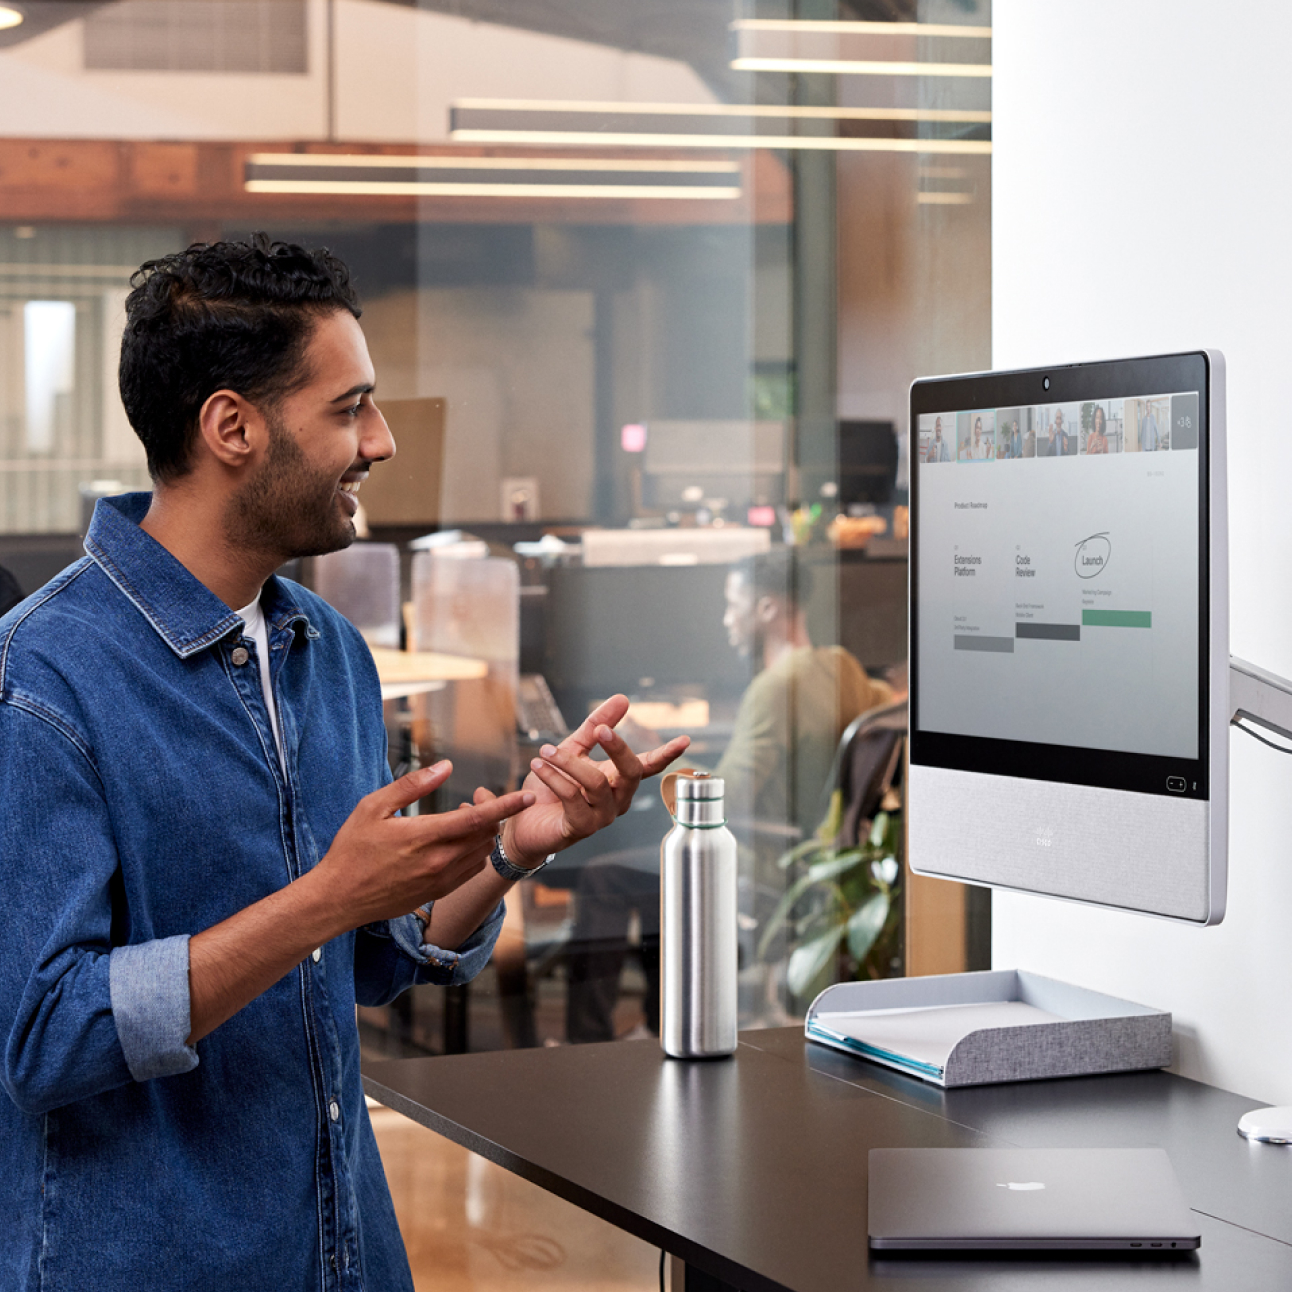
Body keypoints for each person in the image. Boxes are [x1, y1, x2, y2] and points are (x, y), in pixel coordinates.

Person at [0, 236, 687, 1291]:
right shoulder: (40, 681)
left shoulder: (327, 652)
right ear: (232, 426)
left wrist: (508, 848)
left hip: (339, 1251)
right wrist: (321, 899)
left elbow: (369, 957)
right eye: (349, 406)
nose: (382, 440)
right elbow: (44, 1036)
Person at [565, 550, 895, 1043]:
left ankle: (585, 1041)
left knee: (604, 877)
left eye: (732, 604)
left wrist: (652, 752)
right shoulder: (841, 665)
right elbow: (891, 705)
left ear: (766, 609)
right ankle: (662, 1026)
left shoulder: (774, 688)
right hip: (820, 853)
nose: (726, 619)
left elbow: (727, 798)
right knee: (651, 872)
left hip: (767, 859)